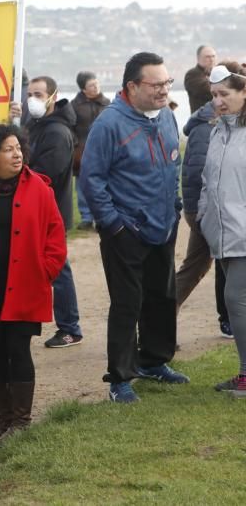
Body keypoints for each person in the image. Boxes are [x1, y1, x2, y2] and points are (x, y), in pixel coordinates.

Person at [80, 52, 187, 404]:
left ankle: (154, 360)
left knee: (162, 295)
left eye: (167, 83)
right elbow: (92, 181)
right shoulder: (109, 124)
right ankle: (121, 378)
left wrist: (175, 206)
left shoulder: (168, 117)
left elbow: (173, 165)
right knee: (127, 303)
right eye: (156, 85)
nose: (163, 90)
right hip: (126, 231)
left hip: (163, 225)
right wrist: (114, 225)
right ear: (132, 86)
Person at [0, 125, 66, 446]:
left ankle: (22, 422)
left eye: (18, 148)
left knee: (18, 349)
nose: (17, 154)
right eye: (7, 149)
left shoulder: (39, 188)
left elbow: (56, 235)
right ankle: (4, 419)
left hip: (26, 284)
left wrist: (45, 270)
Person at [198, 61, 246, 397]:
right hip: (222, 233)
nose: (218, 100)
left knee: (234, 299)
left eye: (225, 94)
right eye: (214, 95)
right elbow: (207, 181)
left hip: (243, 234)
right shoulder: (218, 130)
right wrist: (204, 216)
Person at [25, 76, 82, 349]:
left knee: (58, 269)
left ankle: (70, 327)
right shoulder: (36, 125)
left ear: (52, 96)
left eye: (38, 94)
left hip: (51, 211)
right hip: (37, 210)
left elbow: (45, 174)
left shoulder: (56, 133)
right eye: (29, 94)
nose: (32, 99)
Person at [176, 97, 231, 339]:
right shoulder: (204, 128)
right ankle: (157, 322)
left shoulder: (224, 123)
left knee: (196, 266)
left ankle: (158, 322)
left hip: (209, 209)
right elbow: (200, 173)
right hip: (205, 209)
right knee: (202, 266)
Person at [70, 71, 110, 230]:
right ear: (83, 89)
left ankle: (102, 217)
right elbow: (70, 127)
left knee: (104, 184)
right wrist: (75, 145)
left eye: (97, 83)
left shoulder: (107, 103)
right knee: (82, 184)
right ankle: (86, 217)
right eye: (91, 85)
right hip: (82, 151)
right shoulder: (74, 105)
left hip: (104, 150)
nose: (96, 87)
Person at [185, 45, 218, 113]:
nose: (211, 59)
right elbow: (209, 91)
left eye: (213, 56)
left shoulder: (216, 73)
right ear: (198, 58)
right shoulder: (192, 74)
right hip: (201, 119)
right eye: (207, 57)